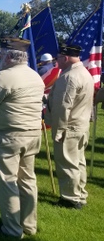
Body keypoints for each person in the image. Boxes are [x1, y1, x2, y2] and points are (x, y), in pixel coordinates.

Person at [0, 37, 44, 238]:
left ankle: (12, 229)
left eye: (2, 55)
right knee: (27, 180)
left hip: (10, 136)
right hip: (32, 134)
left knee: (7, 181)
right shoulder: (35, 76)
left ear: (8, 56)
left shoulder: (5, 77)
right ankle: (28, 224)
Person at [44, 44, 94, 210]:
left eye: (58, 58)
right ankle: (80, 194)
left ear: (65, 58)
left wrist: (58, 129)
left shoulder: (69, 77)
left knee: (67, 163)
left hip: (69, 127)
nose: (56, 61)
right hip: (81, 125)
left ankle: (70, 198)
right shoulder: (84, 73)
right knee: (79, 162)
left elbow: (62, 106)